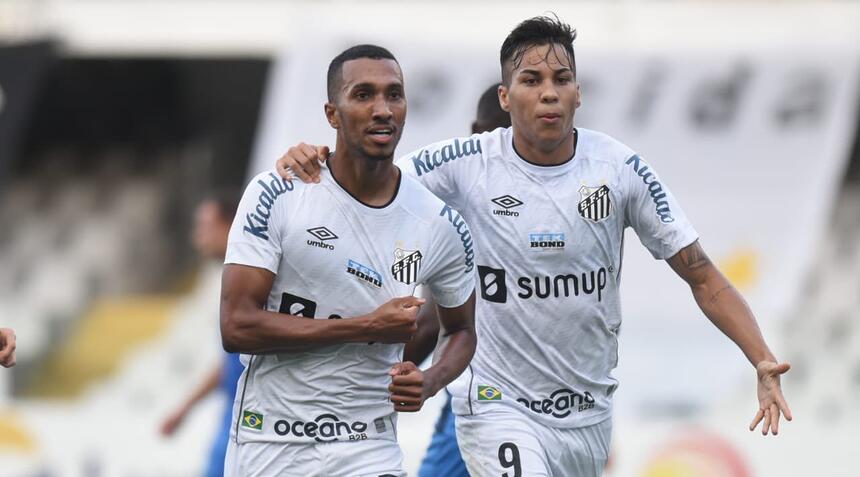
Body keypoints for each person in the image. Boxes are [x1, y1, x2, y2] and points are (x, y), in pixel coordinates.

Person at [275, 15, 792, 477]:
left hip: (587, 415)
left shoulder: (619, 170)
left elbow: (701, 274)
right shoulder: (465, 162)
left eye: (561, 80)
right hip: (498, 404)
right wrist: (311, 162)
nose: (549, 92)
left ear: (578, 93)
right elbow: (368, 184)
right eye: (531, 80)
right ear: (505, 97)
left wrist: (761, 357)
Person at [220, 44, 477, 477]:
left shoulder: (438, 222)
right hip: (269, 442)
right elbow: (236, 325)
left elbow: (462, 329)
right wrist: (364, 327)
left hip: (367, 447)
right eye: (363, 95)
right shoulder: (277, 193)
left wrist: (431, 381)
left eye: (394, 95)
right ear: (331, 113)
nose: (383, 109)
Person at [412, 83, 510, 477]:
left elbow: (432, 321)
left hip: (481, 410)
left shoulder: (458, 213)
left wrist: (359, 392)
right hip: (558, 413)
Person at [159, 193, 244, 477]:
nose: (198, 237)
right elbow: (230, 362)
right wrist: (185, 408)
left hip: (254, 425)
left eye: (205, 226)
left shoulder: (257, 282)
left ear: (232, 224)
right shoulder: (227, 281)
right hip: (231, 421)